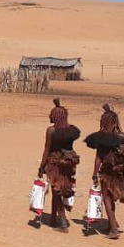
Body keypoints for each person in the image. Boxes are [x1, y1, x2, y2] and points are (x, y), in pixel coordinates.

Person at [87, 104, 124, 240]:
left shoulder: (102, 139)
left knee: (107, 198)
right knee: (111, 197)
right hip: (120, 173)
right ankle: (111, 222)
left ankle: (114, 228)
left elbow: (98, 158)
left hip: (107, 172)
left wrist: (95, 174)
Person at [38, 99, 81, 233]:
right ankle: (52, 218)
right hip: (69, 162)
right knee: (57, 189)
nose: (49, 117)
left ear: (55, 117)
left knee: (56, 191)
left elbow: (47, 149)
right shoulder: (72, 130)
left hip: (55, 163)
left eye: (51, 115)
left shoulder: (51, 131)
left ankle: (62, 222)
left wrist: (41, 167)